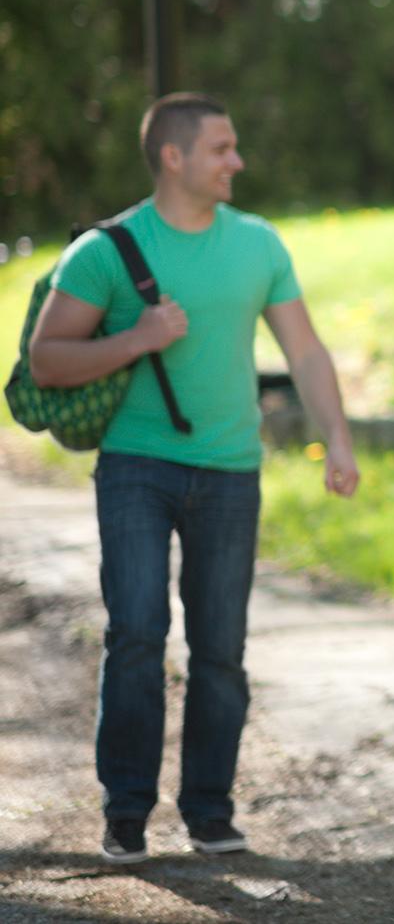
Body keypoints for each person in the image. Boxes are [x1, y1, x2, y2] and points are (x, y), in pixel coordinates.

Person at [27, 92, 360, 864]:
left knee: (221, 649)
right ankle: (127, 811)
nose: (237, 161)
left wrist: (335, 438)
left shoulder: (259, 244)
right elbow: (49, 360)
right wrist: (139, 337)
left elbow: (306, 352)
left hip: (232, 470)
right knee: (138, 633)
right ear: (174, 157)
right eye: (223, 148)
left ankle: (209, 809)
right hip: (136, 468)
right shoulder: (107, 251)